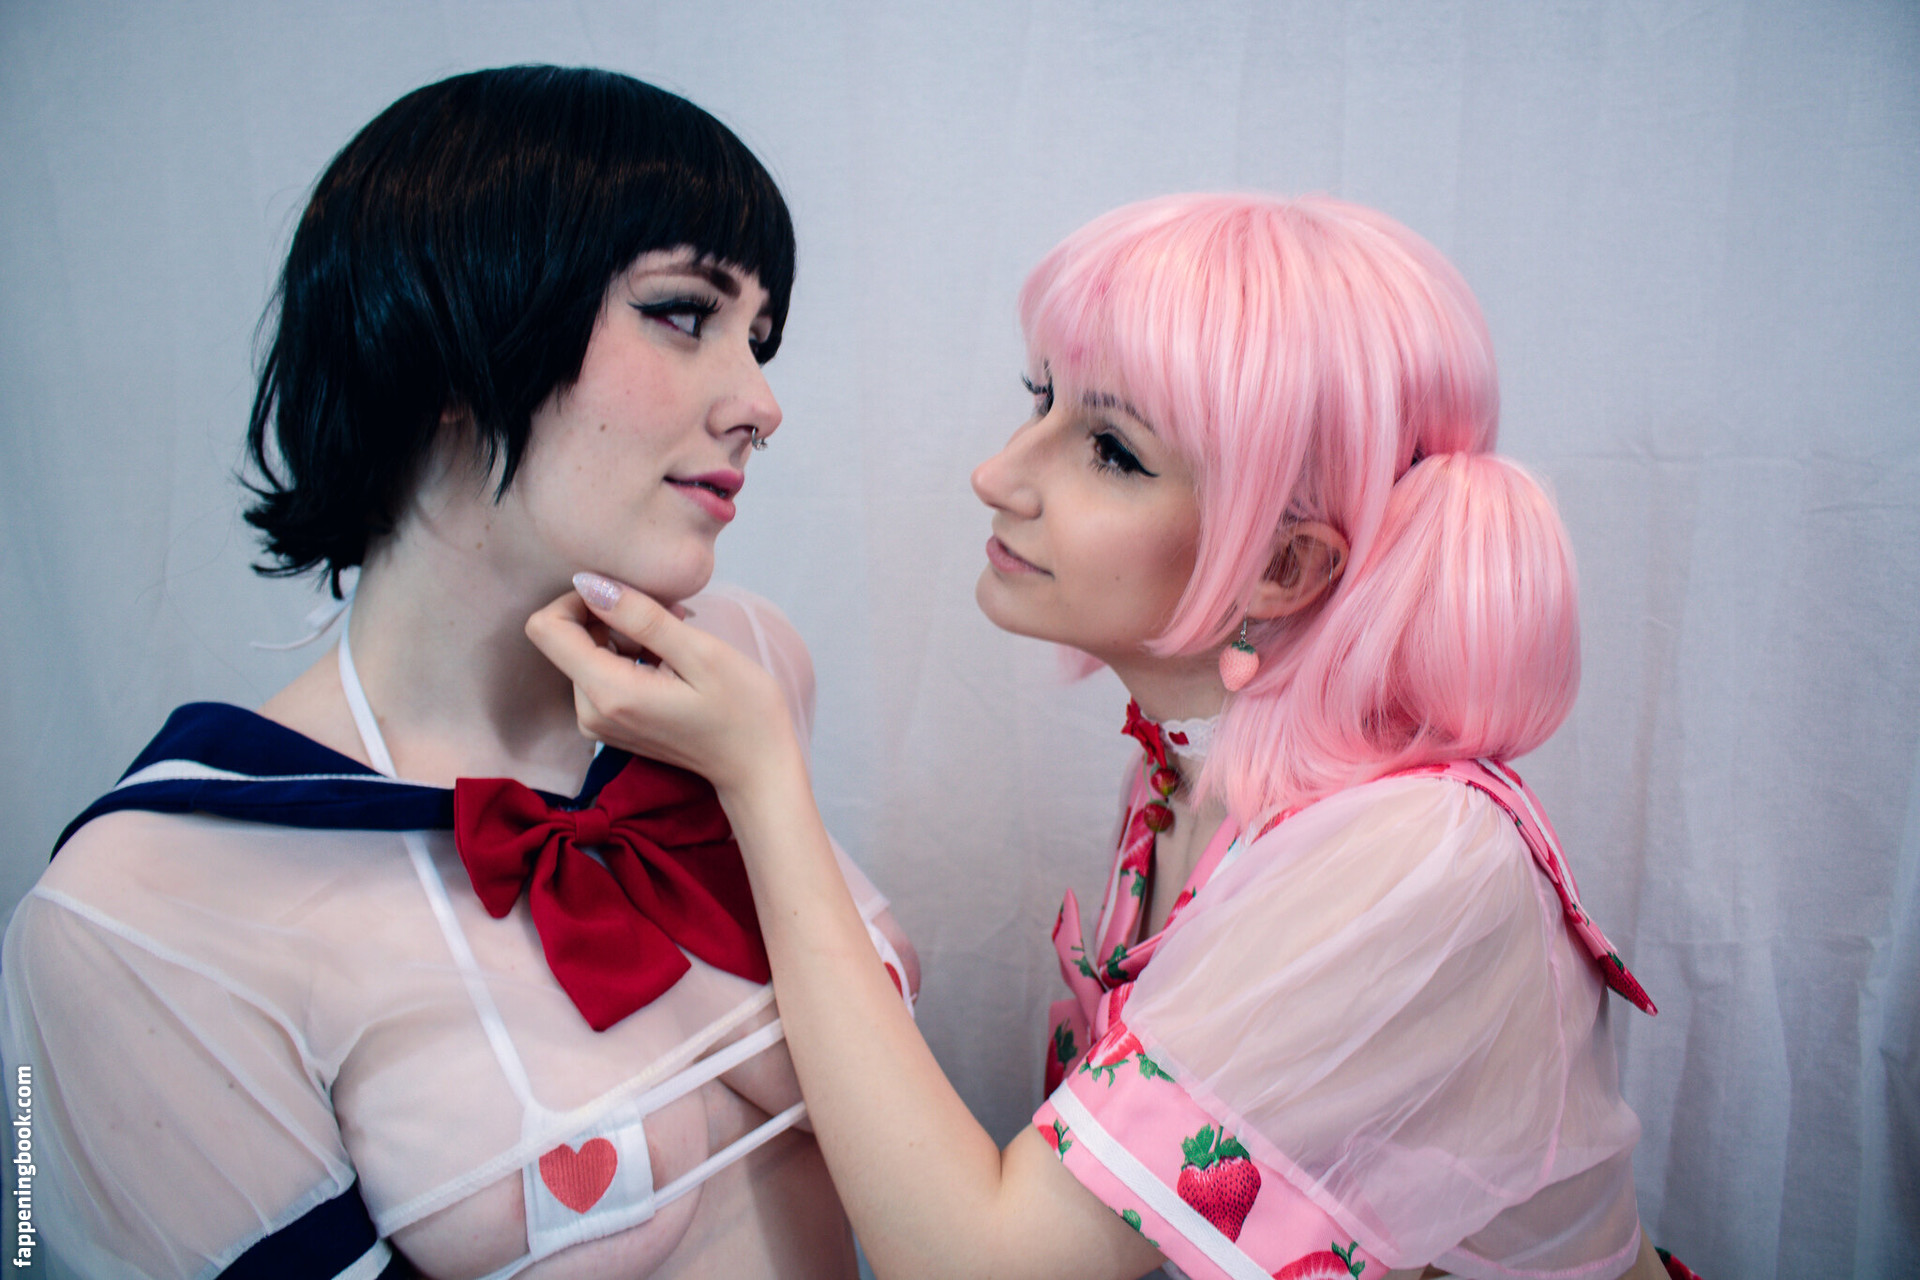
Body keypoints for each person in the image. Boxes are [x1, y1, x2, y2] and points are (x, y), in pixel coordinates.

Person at [527, 194, 1691, 1280]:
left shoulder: (1407, 855)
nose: (998, 474)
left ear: (1286, 566)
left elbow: (984, 1262)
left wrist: (761, 776)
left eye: (1112, 451)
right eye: (1041, 400)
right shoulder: (1194, 767)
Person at [0, 66, 914, 1280]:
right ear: (444, 339)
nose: (761, 402)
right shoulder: (146, 910)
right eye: (683, 312)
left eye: (759, 337)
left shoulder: (743, 667)